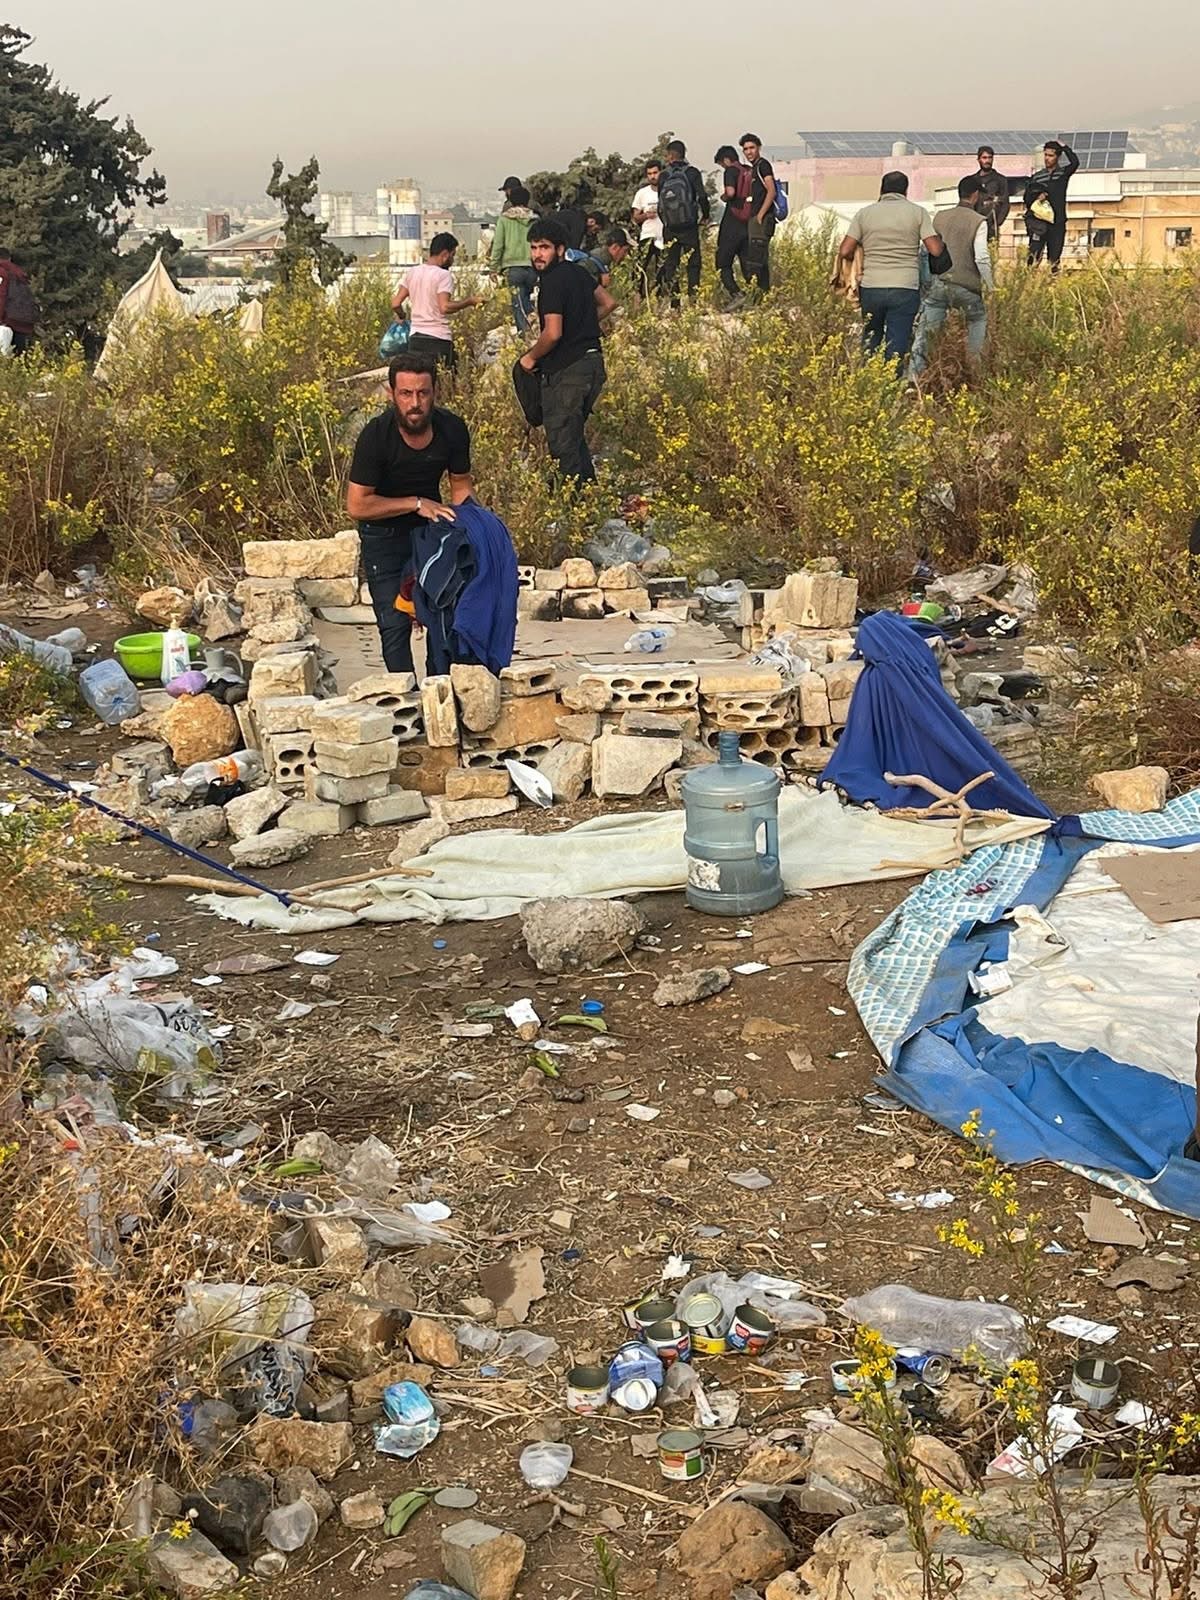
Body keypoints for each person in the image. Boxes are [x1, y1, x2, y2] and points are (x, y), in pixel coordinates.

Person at [346, 354, 473, 674]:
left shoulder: (452, 428)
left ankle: (438, 687)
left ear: (435, 392)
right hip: (382, 534)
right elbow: (357, 505)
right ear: (391, 393)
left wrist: (472, 527)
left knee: (443, 613)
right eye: (405, 393)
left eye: (422, 393)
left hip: (430, 530)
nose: (415, 403)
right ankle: (403, 696)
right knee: (394, 624)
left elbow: (460, 485)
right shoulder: (375, 436)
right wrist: (415, 503)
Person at [517, 219, 606, 484]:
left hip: (568, 371)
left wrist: (530, 357)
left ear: (559, 249)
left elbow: (553, 333)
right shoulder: (579, 273)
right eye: (534, 248)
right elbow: (608, 302)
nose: (537, 254)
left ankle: (571, 502)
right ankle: (587, 497)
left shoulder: (552, 282)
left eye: (544, 247)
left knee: (563, 445)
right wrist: (583, 326)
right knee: (574, 438)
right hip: (593, 364)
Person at [832, 171, 945, 366]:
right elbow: (935, 250)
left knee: (871, 338)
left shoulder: (864, 214)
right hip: (905, 287)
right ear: (905, 190)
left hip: (871, 287)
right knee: (897, 343)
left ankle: (867, 377)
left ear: (882, 189)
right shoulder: (917, 212)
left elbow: (844, 250)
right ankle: (892, 380)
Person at [909, 177, 994, 380]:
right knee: (978, 319)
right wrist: (991, 286)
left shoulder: (939, 217)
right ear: (975, 195)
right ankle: (975, 371)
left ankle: (914, 377)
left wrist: (926, 284)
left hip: (939, 284)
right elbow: (981, 257)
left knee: (926, 331)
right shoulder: (979, 221)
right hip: (967, 287)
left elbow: (925, 252)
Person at [390, 233, 485, 371]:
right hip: (438, 338)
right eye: (452, 255)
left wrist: (402, 315)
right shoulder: (443, 275)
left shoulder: (413, 272)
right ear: (445, 254)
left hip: (415, 339)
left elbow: (395, 303)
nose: (452, 260)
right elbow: (444, 307)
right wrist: (469, 301)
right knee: (447, 377)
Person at [656, 139, 710, 303]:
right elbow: (702, 197)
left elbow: (660, 204)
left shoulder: (663, 175)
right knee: (693, 263)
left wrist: (666, 221)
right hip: (689, 225)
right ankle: (693, 300)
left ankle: (675, 304)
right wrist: (705, 216)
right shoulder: (692, 172)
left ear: (670, 156)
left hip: (670, 227)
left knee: (671, 265)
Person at [1024, 139, 1080, 270]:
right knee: (1033, 257)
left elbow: (1075, 163)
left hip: (1057, 222)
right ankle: (1029, 280)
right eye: (1045, 155)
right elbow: (1027, 198)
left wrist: (1064, 147)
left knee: (1054, 260)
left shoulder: (1062, 174)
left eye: (1051, 155)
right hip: (1039, 223)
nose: (1047, 158)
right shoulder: (1037, 177)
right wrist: (1037, 197)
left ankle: (1052, 280)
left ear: (1058, 157)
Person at [490, 182, 536, 332]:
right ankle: (534, 326)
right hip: (532, 266)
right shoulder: (535, 219)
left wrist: (493, 268)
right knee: (527, 299)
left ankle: (525, 334)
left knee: (518, 304)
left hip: (512, 268)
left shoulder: (504, 219)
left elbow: (498, 245)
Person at [714, 145, 753, 301]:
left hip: (733, 220)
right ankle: (755, 296)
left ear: (726, 160)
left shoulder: (730, 171)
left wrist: (723, 197)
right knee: (746, 261)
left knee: (722, 262)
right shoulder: (748, 170)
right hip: (748, 222)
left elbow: (730, 192)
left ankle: (736, 293)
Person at [740, 134, 777, 293]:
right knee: (760, 260)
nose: (749, 152)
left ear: (759, 148)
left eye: (752, 148)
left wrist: (761, 215)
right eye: (746, 149)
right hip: (755, 218)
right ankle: (763, 295)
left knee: (756, 261)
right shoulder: (754, 168)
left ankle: (759, 295)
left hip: (762, 219)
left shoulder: (763, 165)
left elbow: (771, 191)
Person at [631, 161, 664, 297]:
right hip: (647, 235)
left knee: (663, 272)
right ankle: (637, 298)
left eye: (655, 173)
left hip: (664, 236)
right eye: (649, 174)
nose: (652, 176)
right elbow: (635, 217)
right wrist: (646, 215)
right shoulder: (642, 193)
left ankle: (660, 299)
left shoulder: (667, 190)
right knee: (639, 270)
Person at [0, 249, 38, 354]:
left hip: (7, 321)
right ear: (9, 258)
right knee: (20, 355)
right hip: (22, 321)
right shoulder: (19, 273)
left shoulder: (2, 272)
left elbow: (1, 296)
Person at [973, 146, 1010, 241]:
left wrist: (997, 224)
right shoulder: (972, 180)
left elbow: (1005, 204)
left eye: (990, 157)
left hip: (991, 226)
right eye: (984, 158)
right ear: (978, 159)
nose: (987, 161)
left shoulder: (1000, 180)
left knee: (990, 249)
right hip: (974, 225)